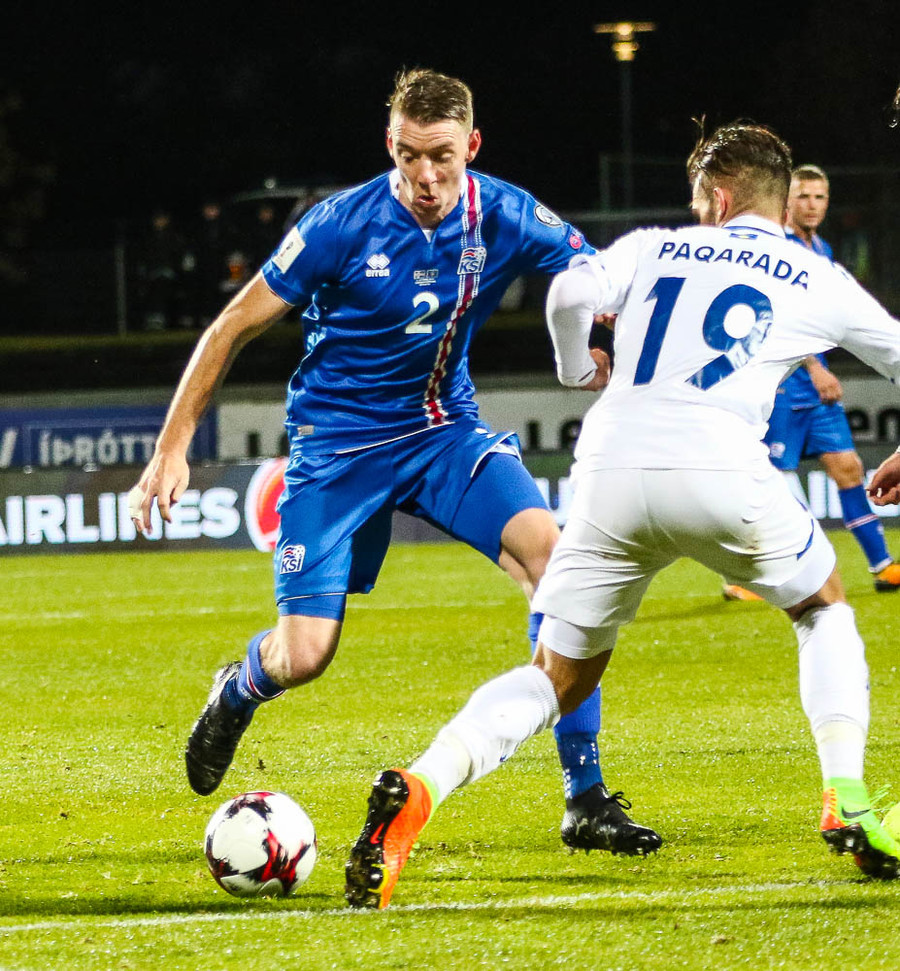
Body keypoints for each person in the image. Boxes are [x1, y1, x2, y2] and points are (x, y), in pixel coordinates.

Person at [345, 120, 900, 910]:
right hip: (721, 469)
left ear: (718, 198)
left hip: (609, 470)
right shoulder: (816, 274)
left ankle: (422, 784)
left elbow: (570, 292)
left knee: (558, 676)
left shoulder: (654, 246)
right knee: (822, 605)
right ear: (779, 204)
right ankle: (846, 795)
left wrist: (578, 367)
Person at [128, 68, 660, 857]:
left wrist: (612, 346)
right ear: (390, 145)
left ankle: (584, 796)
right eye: (409, 155)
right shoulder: (339, 225)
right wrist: (171, 447)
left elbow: (601, 277)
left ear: (471, 146)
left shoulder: (505, 214)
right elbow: (231, 326)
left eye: (441, 156)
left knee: (558, 564)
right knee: (304, 655)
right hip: (336, 449)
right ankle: (238, 688)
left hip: (443, 432)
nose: (425, 176)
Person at [723, 164, 900, 600]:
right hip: (785, 385)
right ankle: (750, 574)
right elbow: (777, 317)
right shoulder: (777, 249)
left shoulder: (820, 248)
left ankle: (883, 565)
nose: (812, 205)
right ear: (786, 202)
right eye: (803, 196)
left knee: (848, 467)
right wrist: (816, 367)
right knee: (774, 480)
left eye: (820, 197)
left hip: (816, 391)